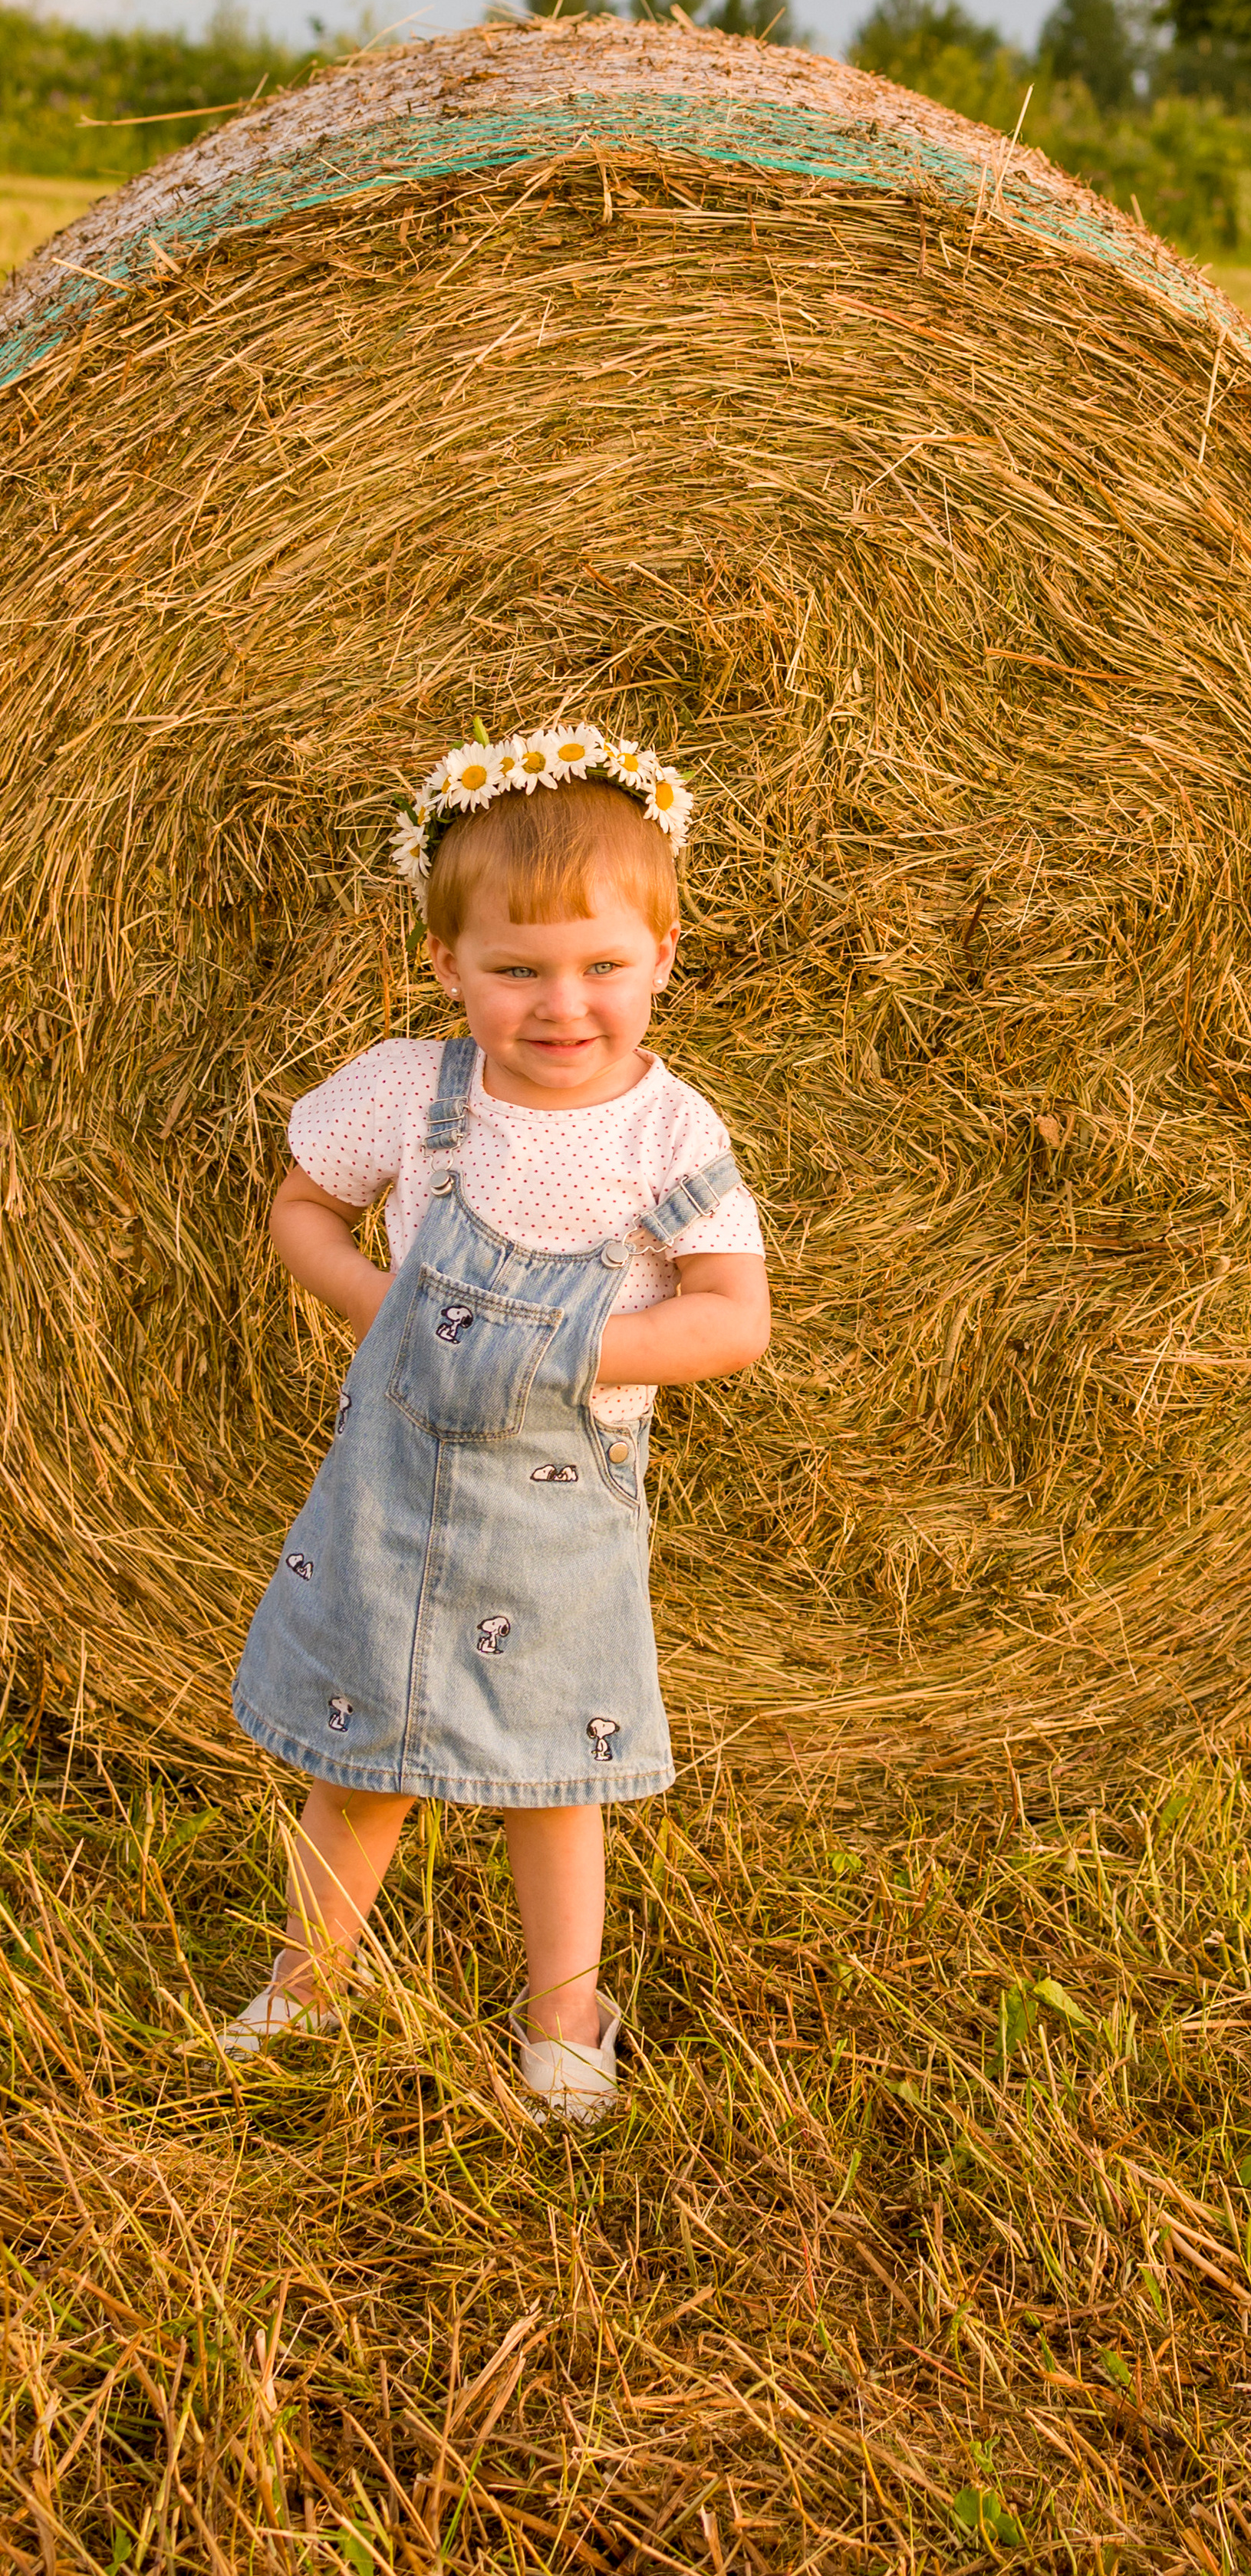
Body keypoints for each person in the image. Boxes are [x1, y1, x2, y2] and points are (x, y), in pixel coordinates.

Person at [215, 719, 770, 2120]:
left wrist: (589, 1352)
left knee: (550, 1771)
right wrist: (377, 1304)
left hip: (562, 1502)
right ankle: (308, 1979)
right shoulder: (413, 1094)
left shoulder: (670, 1135)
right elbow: (300, 1208)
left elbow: (733, 1317)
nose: (560, 1004)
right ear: (445, 965)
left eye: (600, 967)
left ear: (664, 956)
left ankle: (565, 2015)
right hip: (392, 1485)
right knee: (363, 1755)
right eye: (515, 970)